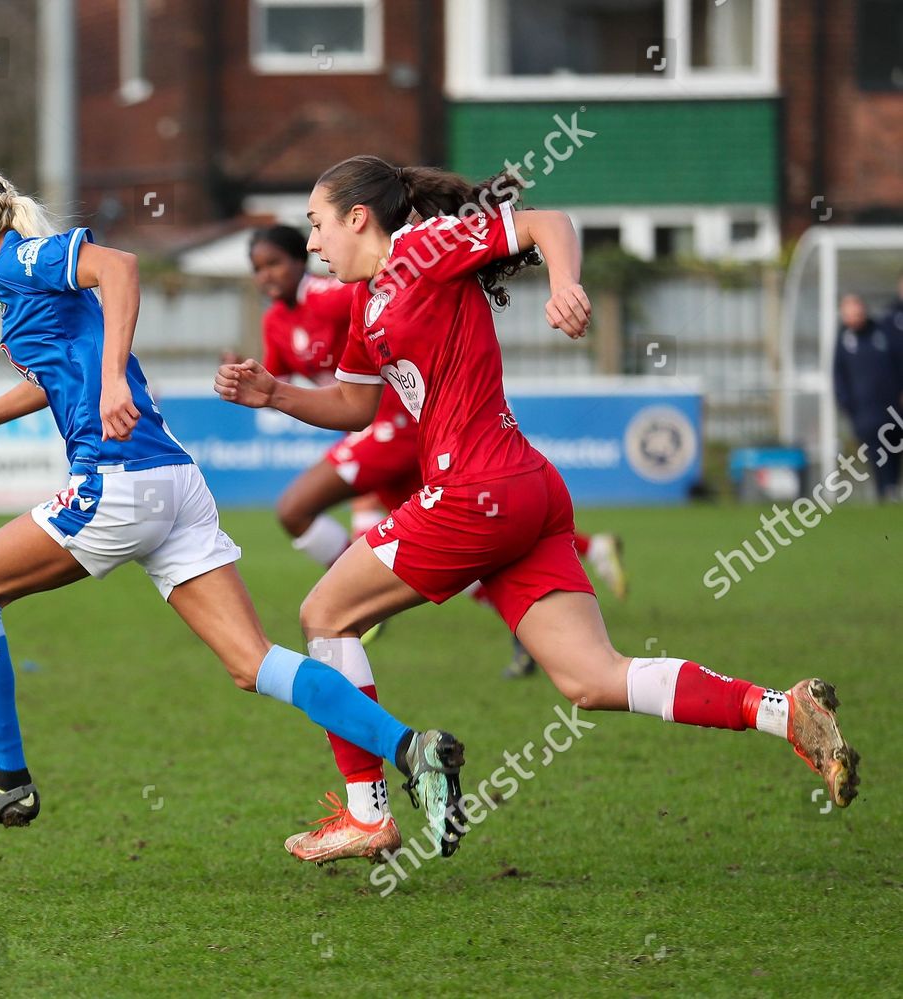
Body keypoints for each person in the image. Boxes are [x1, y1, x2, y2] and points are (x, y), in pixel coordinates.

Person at [217, 157, 860, 864]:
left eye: (316, 224)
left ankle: (370, 813)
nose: (311, 243)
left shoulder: (423, 251)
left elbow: (546, 223)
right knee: (591, 678)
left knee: (323, 615)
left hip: (474, 492)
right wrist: (273, 393)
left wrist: (566, 284)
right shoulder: (366, 303)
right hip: (526, 490)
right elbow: (353, 406)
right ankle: (780, 709)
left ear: (358, 218)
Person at [0, 169, 465, 857]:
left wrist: (114, 377)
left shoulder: (20, 259)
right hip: (173, 480)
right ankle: (411, 747)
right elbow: (49, 378)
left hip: (117, 482)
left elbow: (121, 268)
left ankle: (7, 779)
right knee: (251, 661)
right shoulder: (26, 286)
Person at [833, 293, 903, 501]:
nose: (854, 316)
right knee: (876, 451)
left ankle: (891, 488)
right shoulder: (844, 341)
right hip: (865, 413)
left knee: (894, 446)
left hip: (894, 408)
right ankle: (885, 490)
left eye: (857, 310)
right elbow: (838, 376)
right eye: (849, 312)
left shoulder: (882, 333)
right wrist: (847, 404)